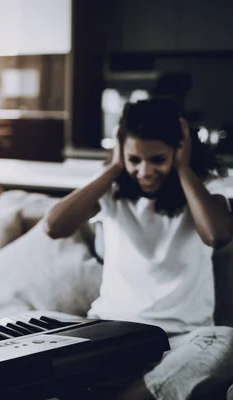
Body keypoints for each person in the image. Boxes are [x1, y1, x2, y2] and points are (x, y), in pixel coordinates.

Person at [45, 98, 233, 399]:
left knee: (227, 343)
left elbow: (217, 234)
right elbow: (54, 227)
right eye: (135, 159)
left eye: (157, 159)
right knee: (36, 337)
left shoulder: (207, 185)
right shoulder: (113, 188)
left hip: (181, 340)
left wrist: (184, 168)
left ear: (180, 149)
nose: (144, 171)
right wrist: (116, 166)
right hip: (112, 333)